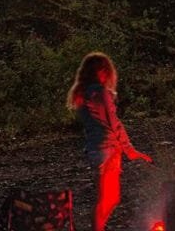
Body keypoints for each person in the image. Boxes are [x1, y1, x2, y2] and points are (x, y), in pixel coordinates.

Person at [67, 52, 152, 231]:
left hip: (97, 148)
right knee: (106, 199)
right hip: (107, 148)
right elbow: (114, 123)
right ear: (101, 71)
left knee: (111, 198)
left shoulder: (84, 92)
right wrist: (130, 149)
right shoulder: (99, 92)